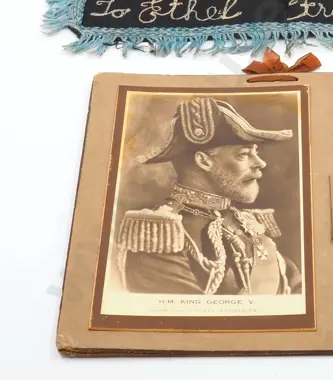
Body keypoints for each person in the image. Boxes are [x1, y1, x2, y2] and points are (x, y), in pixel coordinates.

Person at [117, 97, 301, 295]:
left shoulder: (247, 223)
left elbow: (297, 291)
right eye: (243, 154)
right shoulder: (159, 235)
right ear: (203, 162)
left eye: (255, 152)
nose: (260, 163)